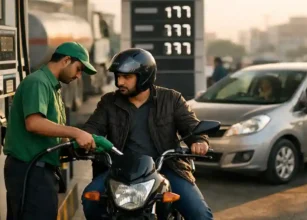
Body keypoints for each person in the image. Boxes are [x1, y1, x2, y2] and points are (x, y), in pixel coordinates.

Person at [81, 48, 213, 220]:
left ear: (144, 77)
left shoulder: (172, 99)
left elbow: (191, 126)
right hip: (120, 170)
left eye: (126, 77)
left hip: (166, 168)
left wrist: (199, 141)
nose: (120, 82)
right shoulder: (109, 102)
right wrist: (85, 138)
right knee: (90, 198)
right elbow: (93, 127)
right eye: (118, 76)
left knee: (200, 214)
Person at [3, 42, 97, 220]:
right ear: (66, 60)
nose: (78, 76)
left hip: (40, 169)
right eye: (78, 69)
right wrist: (76, 133)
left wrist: (75, 144)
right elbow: (34, 123)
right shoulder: (38, 82)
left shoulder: (51, 86)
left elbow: (52, 131)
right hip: (29, 170)